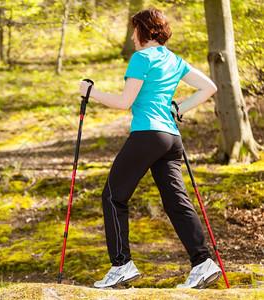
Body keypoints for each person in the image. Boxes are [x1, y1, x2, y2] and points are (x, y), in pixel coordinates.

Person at [79, 7, 222, 289]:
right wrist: (178, 108)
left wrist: (89, 92)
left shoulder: (141, 58)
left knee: (112, 196)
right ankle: (203, 263)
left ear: (144, 30)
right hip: (171, 138)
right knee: (176, 201)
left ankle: (121, 265)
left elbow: (124, 102)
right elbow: (209, 87)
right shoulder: (174, 59)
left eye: (134, 30)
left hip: (147, 134)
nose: (132, 37)